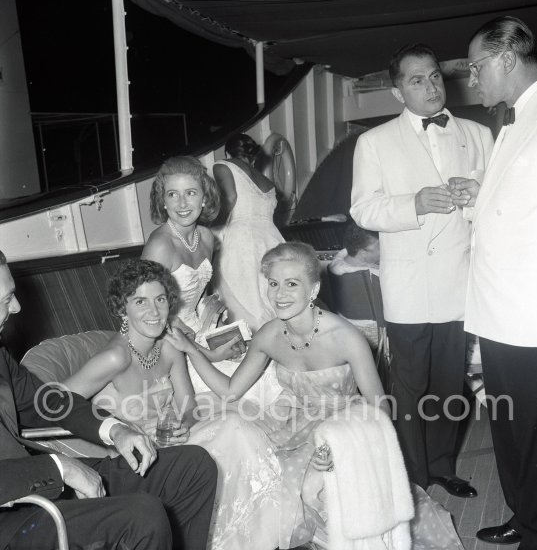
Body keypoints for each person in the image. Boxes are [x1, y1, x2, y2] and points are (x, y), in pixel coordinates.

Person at [165, 242, 465, 550]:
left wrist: (342, 444)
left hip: (348, 426)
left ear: (313, 289)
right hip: (293, 425)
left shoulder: (344, 337)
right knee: (257, 473)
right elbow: (229, 391)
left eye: (291, 284)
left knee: (307, 489)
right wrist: (191, 350)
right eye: (273, 284)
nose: (279, 294)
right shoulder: (269, 335)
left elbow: (381, 408)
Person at [0, 250, 217, 550]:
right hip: (12, 519)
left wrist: (115, 429)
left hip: (41, 484)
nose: (17, 306)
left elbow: (48, 402)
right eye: (5, 299)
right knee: (144, 515)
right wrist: (59, 469)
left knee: (195, 466)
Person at [350, 43, 493, 495]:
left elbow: (495, 207)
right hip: (408, 286)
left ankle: (443, 465)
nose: (431, 87)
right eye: (417, 80)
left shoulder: (477, 134)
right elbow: (363, 209)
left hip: (457, 280)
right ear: (397, 93)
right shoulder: (372, 142)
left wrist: (475, 197)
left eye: (434, 77)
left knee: (451, 383)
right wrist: (412, 204)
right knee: (410, 386)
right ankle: (412, 476)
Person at [62, 259, 281, 550]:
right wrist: (115, 430)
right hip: (134, 461)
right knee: (231, 433)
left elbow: (189, 406)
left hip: (173, 445)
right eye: (140, 301)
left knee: (236, 426)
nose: (154, 312)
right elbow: (56, 403)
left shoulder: (168, 347)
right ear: (121, 310)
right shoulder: (115, 358)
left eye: (160, 299)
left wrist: (184, 424)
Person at [460, 16, 537, 548]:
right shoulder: (513, 121)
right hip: (496, 309)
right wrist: (477, 199)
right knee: (511, 426)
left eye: (476, 67)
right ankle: (524, 512)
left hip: (532, 311)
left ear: (507, 58)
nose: (472, 80)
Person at [142, 155, 238, 361]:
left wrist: (217, 329)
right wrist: (209, 355)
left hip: (195, 333)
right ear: (163, 201)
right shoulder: (160, 245)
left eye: (191, 193)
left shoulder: (205, 237)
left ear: (204, 198)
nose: (182, 203)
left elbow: (200, 296)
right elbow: (147, 312)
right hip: (164, 341)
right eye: (172, 194)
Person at [212, 133, 285, 332]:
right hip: (272, 240)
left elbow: (229, 198)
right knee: (270, 297)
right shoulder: (267, 181)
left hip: (242, 241)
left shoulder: (223, 165)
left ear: (227, 152)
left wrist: (208, 225)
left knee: (243, 301)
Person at [328, 223, 381, 348]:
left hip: (346, 330)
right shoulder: (371, 277)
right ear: (363, 253)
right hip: (376, 337)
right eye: (379, 245)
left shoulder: (336, 264)